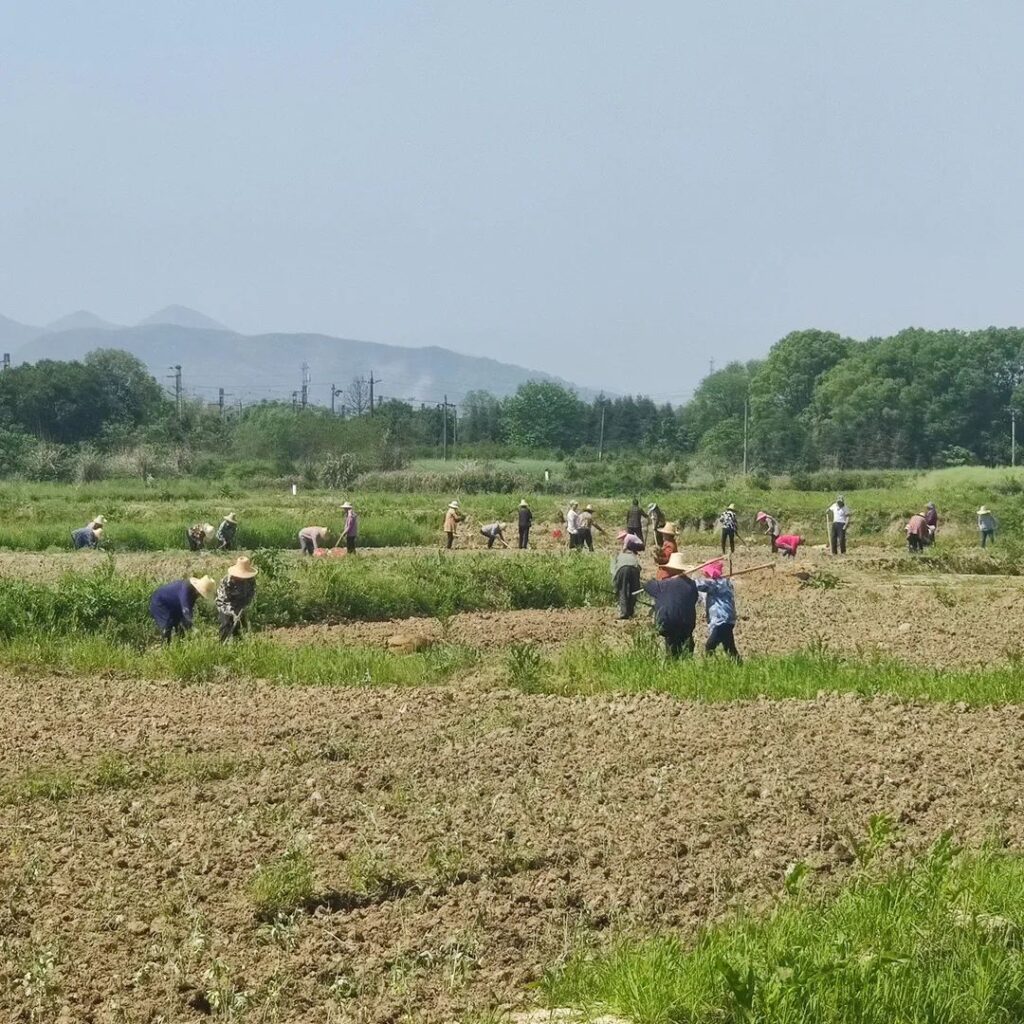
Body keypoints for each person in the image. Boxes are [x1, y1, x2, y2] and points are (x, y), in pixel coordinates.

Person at [642, 552, 699, 657]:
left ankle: (673, 662)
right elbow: (694, 599)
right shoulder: (692, 585)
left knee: (672, 647)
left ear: (670, 569)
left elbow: (648, 585)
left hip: (668, 624)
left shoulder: (662, 585)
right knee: (686, 644)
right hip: (687, 624)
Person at [149, 575, 217, 643]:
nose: (201, 596)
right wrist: (192, 627)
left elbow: (189, 608)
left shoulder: (194, 593)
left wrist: (188, 623)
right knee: (167, 625)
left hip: (174, 604)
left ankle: (179, 646)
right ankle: (165, 646)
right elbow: (186, 610)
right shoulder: (186, 589)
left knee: (179, 626)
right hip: (160, 602)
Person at [695, 561, 741, 661]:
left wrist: (682, 579)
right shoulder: (720, 583)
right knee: (729, 648)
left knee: (709, 646)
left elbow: (697, 585)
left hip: (722, 621)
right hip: (726, 621)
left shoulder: (719, 584)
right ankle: (739, 665)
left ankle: (707, 667)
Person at [215, 556, 258, 641]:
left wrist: (244, 607)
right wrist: (232, 613)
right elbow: (223, 600)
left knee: (240, 626)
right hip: (225, 606)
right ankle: (222, 645)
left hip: (240, 605)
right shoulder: (227, 581)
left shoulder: (250, 580)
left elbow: (251, 593)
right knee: (226, 624)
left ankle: (238, 643)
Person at [611, 549, 642, 620]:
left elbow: (613, 571)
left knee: (622, 590)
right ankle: (631, 611)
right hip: (634, 568)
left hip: (623, 569)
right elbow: (639, 568)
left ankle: (624, 613)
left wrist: (615, 585)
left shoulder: (617, 556)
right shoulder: (633, 556)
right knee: (634, 591)